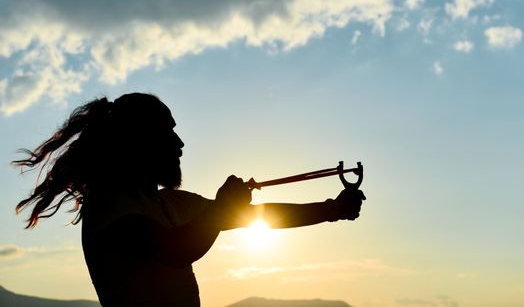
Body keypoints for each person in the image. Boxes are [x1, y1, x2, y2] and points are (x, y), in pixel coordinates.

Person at [14, 92, 366, 307]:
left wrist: (332, 209)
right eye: (167, 132)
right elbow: (174, 250)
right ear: (138, 141)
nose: (180, 144)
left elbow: (260, 217)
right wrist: (223, 208)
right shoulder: (110, 206)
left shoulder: (173, 205)